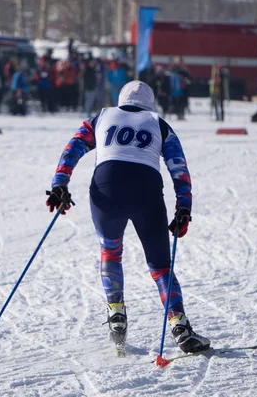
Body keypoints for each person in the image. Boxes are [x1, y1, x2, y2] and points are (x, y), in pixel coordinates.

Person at [45, 80, 211, 354]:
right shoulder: (158, 123)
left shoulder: (102, 116)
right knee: (160, 267)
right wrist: (184, 207)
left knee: (110, 252)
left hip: (105, 189)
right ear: (150, 103)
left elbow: (73, 147)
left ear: (121, 100)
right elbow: (179, 168)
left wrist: (60, 183)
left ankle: (116, 313)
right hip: (146, 191)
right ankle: (179, 326)